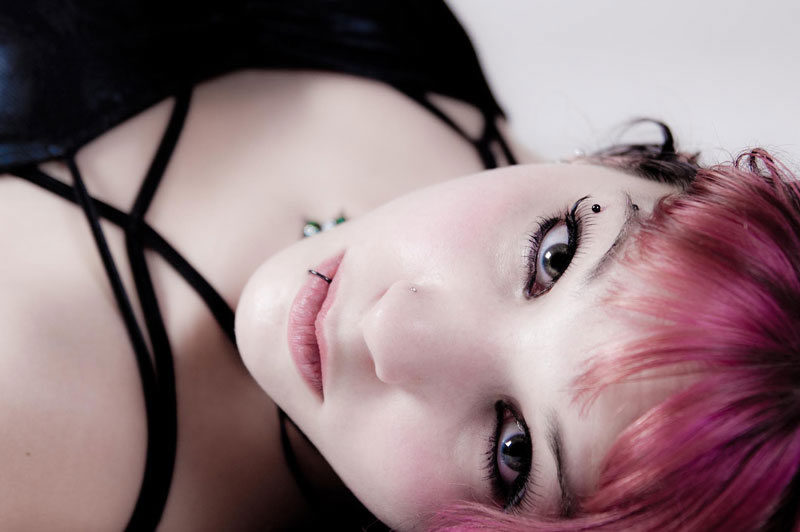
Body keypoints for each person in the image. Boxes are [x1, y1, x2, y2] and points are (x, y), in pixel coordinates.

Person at [2, 2, 799, 532]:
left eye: (513, 452)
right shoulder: (443, 88)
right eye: (554, 256)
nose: (390, 328)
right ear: (632, 165)